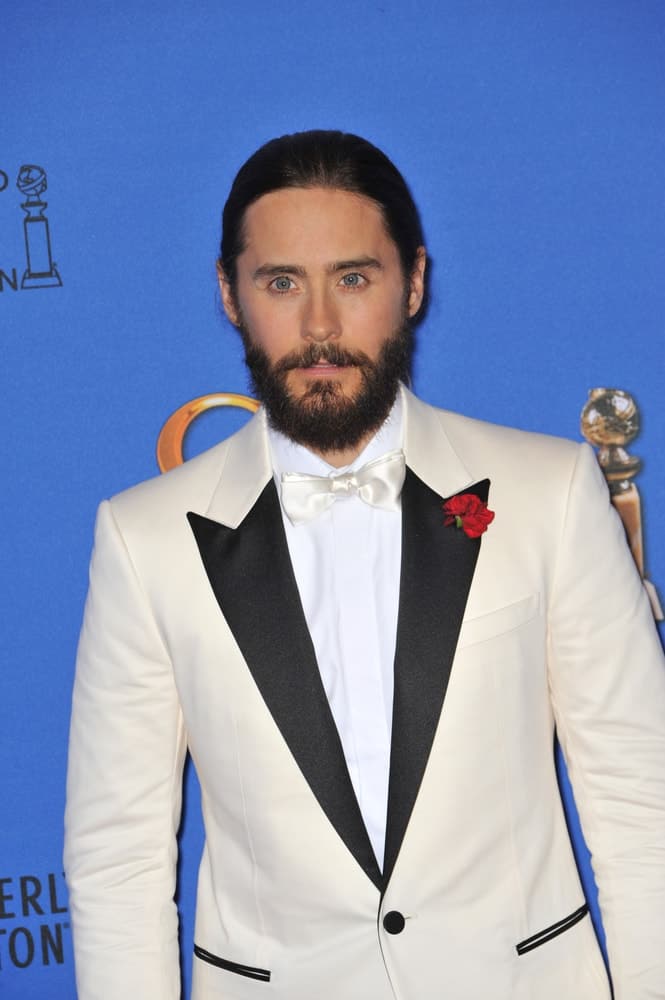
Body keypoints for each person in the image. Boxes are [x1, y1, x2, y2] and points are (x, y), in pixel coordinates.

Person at [64, 130, 665, 1000]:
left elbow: (639, 797)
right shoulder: (142, 538)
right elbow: (118, 857)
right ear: (230, 295)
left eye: (353, 278)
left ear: (412, 282)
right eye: (280, 283)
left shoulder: (549, 494)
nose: (318, 326)